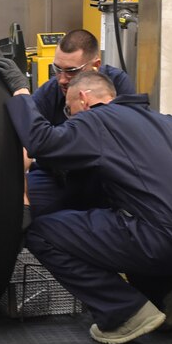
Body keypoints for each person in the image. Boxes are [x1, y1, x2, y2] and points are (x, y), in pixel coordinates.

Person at [0, 60, 172, 344]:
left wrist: (20, 92)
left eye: (68, 110)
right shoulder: (171, 122)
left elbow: (42, 142)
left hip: (160, 241)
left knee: (43, 233)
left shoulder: (96, 120)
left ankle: (124, 313)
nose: (69, 119)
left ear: (84, 99)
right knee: (120, 220)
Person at [26, 29, 136, 220]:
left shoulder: (118, 84)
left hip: (104, 178)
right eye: (57, 69)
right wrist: (22, 200)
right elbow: (25, 137)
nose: (62, 78)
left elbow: (126, 141)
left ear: (95, 66)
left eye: (71, 71)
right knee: (10, 206)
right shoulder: (51, 91)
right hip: (58, 177)